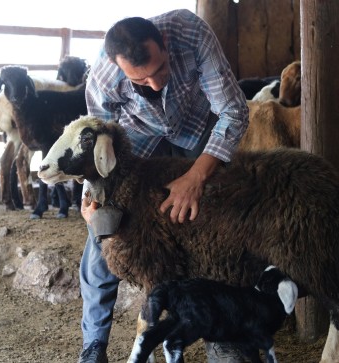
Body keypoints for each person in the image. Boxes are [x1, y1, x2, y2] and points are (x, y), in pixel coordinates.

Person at [77, 9, 249, 363]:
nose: (154, 85)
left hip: (195, 126)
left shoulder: (191, 33)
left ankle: (224, 334)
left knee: (213, 221)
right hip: (136, 137)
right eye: (140, 81)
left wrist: (197, 176)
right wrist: (92, 196)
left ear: (164, 43)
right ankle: (94, 343)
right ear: (119, 67)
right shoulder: (105, 75)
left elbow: (233, 111)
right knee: (105, 233)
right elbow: (99, 141)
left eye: (160, 71)